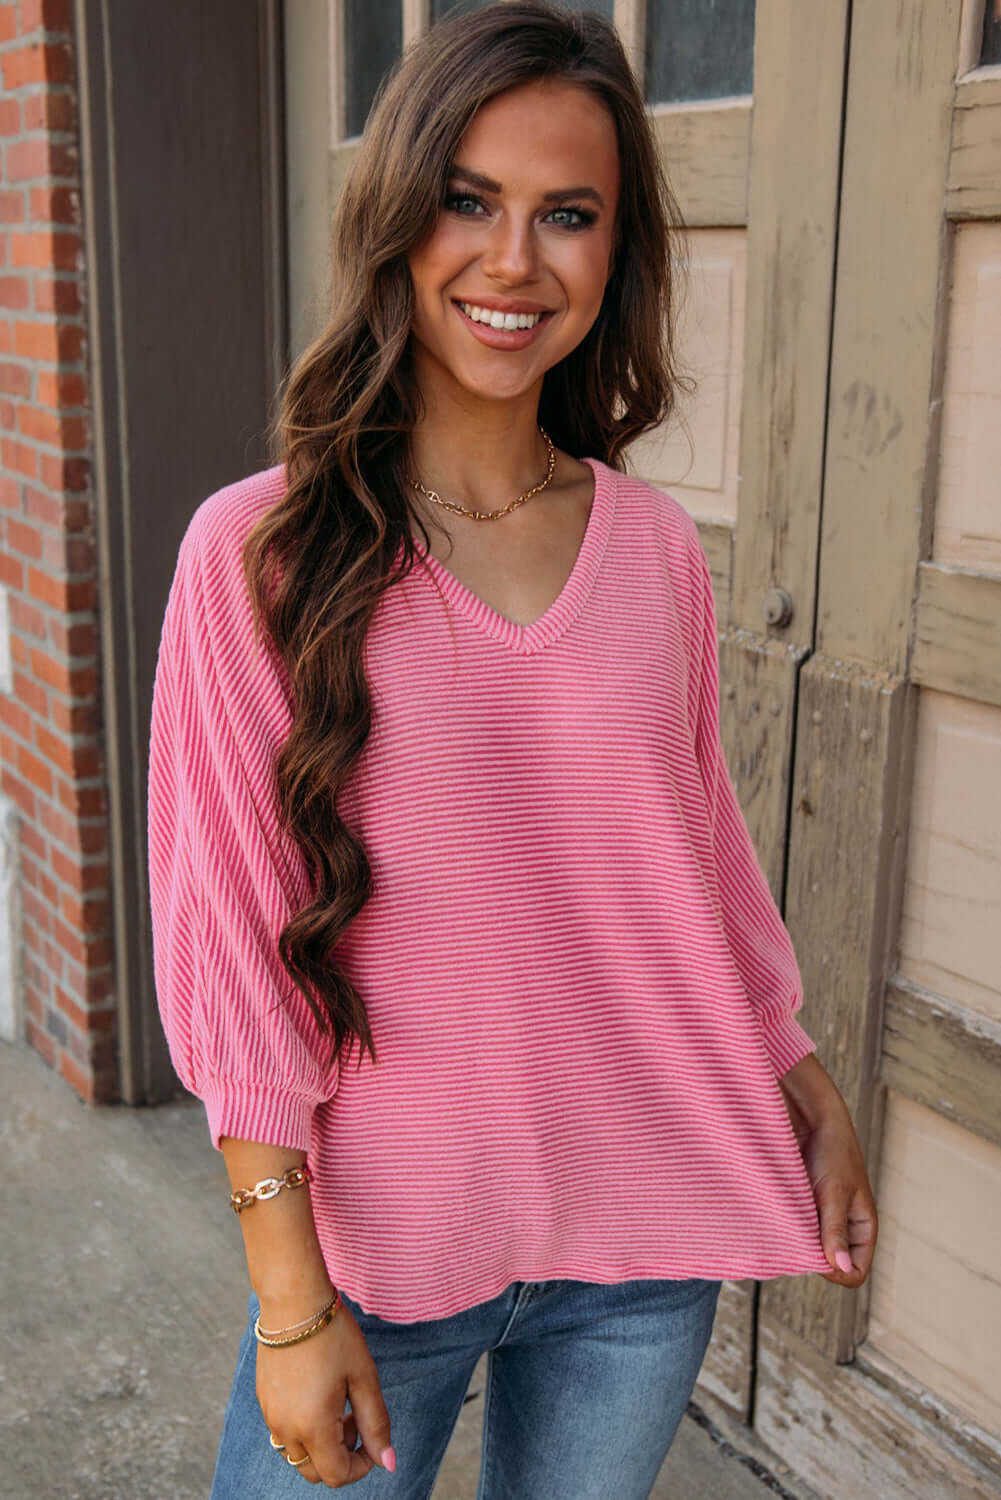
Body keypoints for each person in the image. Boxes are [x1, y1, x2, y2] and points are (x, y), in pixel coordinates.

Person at [146, 4, 878, 1495]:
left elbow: (696, 857)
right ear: (397, 221)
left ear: (616, 256)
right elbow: (228, 942)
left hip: (643, 1229)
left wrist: (796, 1072)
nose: (511, 262)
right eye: (468, 202)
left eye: (568, 215)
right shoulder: (256, 553)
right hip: (381, 1244)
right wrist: (290, 1303)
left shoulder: (655, 548)